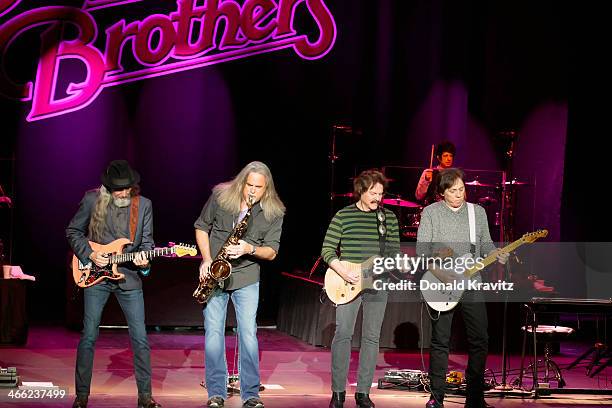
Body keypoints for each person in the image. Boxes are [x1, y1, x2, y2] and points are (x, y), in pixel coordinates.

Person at [66, 160, 161, 408]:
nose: (123, 193)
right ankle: (82, 396)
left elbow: (147, 244)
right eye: (118, 189)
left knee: (140, 337)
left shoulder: (144, 206)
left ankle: (145, 397)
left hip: (128, 277)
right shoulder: (91, 200)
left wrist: (144, 263)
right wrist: (89, 254)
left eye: (127, 188)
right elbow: (73, 231)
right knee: (88, 335)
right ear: (107, 188)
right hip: (95, 275)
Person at [194, 161, 285, 408]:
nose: (252, 191)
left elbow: (272, 252)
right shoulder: (221, 197)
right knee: (213, 334)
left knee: (248, 335)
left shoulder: (274, 212)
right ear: (242, 182)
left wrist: (249, 248)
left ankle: (251, 394)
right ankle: (216, 392)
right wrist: (207, 260)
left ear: (267, 189)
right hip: (215, 273)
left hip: (246, 277)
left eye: (259, 187)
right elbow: (201, 227)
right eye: (249, 185)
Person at [416, 168, 508, 408]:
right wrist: (440, 273)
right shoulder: (431, 213)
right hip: (440, 283)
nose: (459, 194)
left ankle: (475, 397)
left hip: (472, 283)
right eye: (453, 191)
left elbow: (486, 244)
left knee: (480, 339)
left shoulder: (476, 212)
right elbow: (422, 251)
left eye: (462, 189)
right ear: (442, 193)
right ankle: (436, 397)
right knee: (440, 341)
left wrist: (495, 254)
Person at [322, 169, 401, 408]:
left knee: (371, 337)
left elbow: (394, 253)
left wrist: (391, 263)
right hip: (347, 281)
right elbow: (327, 249)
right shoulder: (343, 216)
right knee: (343, 333)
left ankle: (363, 393)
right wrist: (341, 270)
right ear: (361, 191)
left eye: (380, 193)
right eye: (372, 193)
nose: (378, 197)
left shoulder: (388, 218)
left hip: (377, 282)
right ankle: (337, 392)